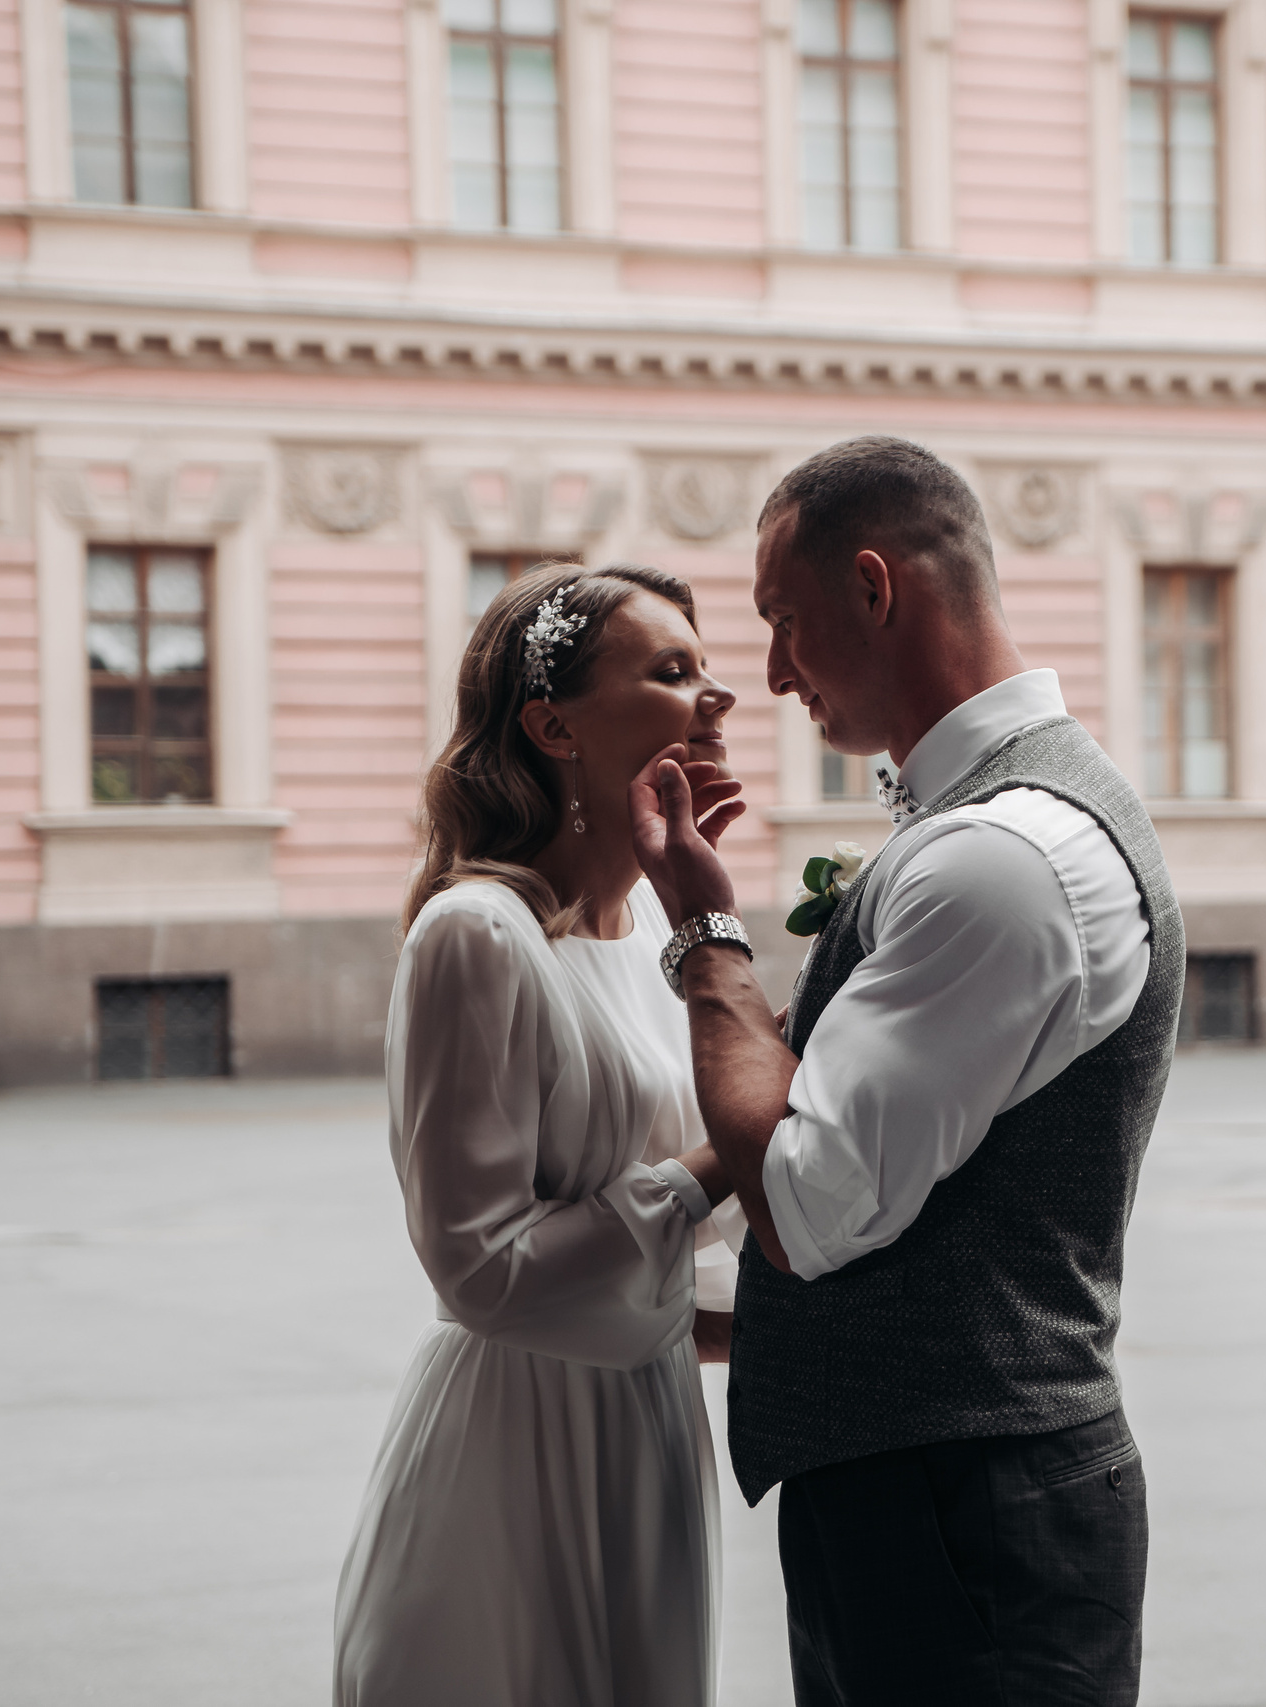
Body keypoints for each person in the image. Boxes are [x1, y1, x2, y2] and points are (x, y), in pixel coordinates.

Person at [630, 437, 1186, 1706]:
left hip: (959, 1527)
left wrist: (705, 932)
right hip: (947, 1505)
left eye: (782, 621)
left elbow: (816, 1207)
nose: (768, 676)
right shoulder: (991, 824)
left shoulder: (999, 858)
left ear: (874, 590)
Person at [334, 562, 753, 1707]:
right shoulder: (476, 936)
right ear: (552, 724)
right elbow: (481, 1269)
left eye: (705, 668)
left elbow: (669, 1252)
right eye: (672, 672)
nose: (718, 696)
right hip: (516, 1449)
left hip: (648, 1430)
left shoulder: (654, 937)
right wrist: (742, 1145)